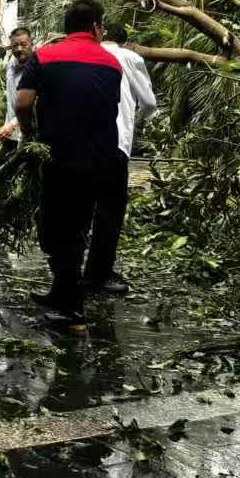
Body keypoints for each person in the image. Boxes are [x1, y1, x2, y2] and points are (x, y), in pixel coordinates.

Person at [13, 0, 124, 331]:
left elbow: (23, 102)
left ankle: (72, 312)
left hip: (61, 158)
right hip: (101, 160)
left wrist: (31, 133)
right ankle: (60, 293)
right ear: (95, 28)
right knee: (74, 229)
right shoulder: (111, 62)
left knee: (60, 232)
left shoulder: (44, 57)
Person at [94, 22, 158, 294]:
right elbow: (150, 103)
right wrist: (140, 123)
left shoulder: (88, 55)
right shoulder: (129, 58)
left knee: (82, 209)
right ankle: (98, 274)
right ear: (126, 42)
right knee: (110, 211)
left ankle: (68, 276)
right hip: (115, 143)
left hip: (81, 143)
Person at [0, 27, 35, 168]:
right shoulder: (11, 64)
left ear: (31, 44)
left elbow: (31, 105)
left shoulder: (37, 69)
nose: (19, 49)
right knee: (0, 169)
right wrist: (8, 124)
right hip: (11, 132)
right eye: (14, 45)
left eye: (23, 44)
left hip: (29, 133)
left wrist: (12, 124)